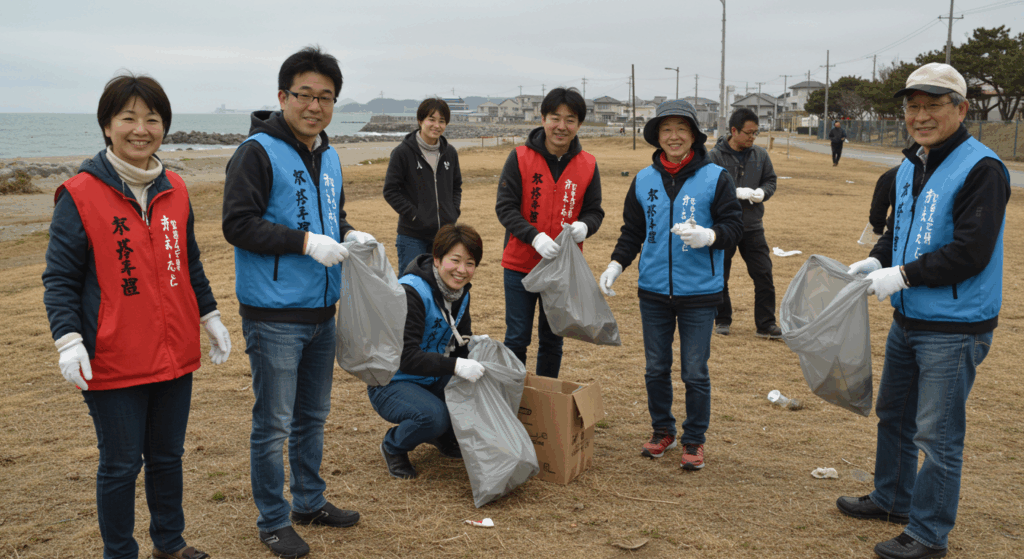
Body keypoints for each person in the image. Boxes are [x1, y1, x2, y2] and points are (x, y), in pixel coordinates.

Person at [42, 73, 231, 559]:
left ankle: (169, 544)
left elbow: (188, 262)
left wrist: (208, 315)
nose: (141, 128)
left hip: (174, 353)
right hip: (114, 359)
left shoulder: (177, 189)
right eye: (128, 117)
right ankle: (120, 552)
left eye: (152, 118)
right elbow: (60, 279)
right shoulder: (79, 194)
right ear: (107, 126)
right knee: (121, 464)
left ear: (164, 127)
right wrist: (69, 339)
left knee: (167, 458)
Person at [837, 62, 1010, 559]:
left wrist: (903, 276)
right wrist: (879, 257)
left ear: (961, 109)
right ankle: (893, 497)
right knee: (894, 414)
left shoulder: (983, 169)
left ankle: (929, 533)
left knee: (937, 434)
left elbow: (970, 251)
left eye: (934, 105)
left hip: (954, 326)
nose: (921, 115)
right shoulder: (914, 162)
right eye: (913, 106)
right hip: (909, 317)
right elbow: (905, 231)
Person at [222, 46, 374, 559]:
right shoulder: (256, 152)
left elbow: (332, 214)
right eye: (305, 95)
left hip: (321, 309)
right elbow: (237, 224)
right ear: (282, 96)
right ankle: (272, 519)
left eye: (326, 97)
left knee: (313, 415)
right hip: (274, 312)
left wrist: (350, 234)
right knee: (273, 423)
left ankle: (309, 500)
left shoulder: (327, 152)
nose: (315, 105)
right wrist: (305, 243)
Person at [598, 100, 742, 471]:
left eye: (682, 129)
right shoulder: (644, 179)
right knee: (655, 368)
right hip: (654, 292)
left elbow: (734, 226)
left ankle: (695, 439)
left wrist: (710, 235)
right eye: (666, 130)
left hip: (700, 292)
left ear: (693, 135)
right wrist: (617, 263)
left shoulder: (715, 177)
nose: (674, 136)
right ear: (657, 137)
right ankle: (663, 429)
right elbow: (633, 230)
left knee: (695, 371)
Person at [495, 87, 604, 378]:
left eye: (570, 120)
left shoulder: (588, 164)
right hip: (520, 265)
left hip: (561, 269)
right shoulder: (520, 157)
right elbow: (505, 208)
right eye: (555, 118)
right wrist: (534, 236)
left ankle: (545, 401)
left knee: (553, 339)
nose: (562, 126)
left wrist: (586, 226)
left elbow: (595, 211)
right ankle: (510, 398)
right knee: (517, 338)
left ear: (579, 125)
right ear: (542, 118)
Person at [368, 224, 489, 479]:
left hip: (429, 376)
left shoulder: (460, 293)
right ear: (437, 259)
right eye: (455, 260)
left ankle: (442, 435)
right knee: (433, 417)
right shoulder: (410, 292)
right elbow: (407, 358)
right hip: (392, 381)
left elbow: (460, 342)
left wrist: (477, 347)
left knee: (478, 393)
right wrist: (456, 366)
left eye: (470, 263)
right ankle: (393, 446)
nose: (462, 270)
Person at [707, 108, 782, 339]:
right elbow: (707, 186)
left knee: (764, 275)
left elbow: (771, 180)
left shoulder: (760, 155)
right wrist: (732, 192)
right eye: (748, 133)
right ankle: (722, 319)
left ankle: (766, 324)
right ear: (733, 131)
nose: (752, 137)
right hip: (724, 227)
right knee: (720, 275)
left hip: (753, 226)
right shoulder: (714, 157)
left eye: (756, 133)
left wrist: (762, 192)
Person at [383, 98, 463, 274]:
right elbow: (390, 190)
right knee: (412, 284)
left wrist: (453, 211)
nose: (436, 125)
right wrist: (414, 215)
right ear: (420, 121)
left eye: (442, 121)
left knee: (441, 282)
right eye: (431, 119)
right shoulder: (402, 152)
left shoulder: (449, 153)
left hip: (444, 234)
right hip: (412, 235)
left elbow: (456, 186)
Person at [869, 165, 900, 236]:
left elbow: (879, 203)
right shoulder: (894, 174)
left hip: (897, 230)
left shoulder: (893, 173)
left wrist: (878, 228)